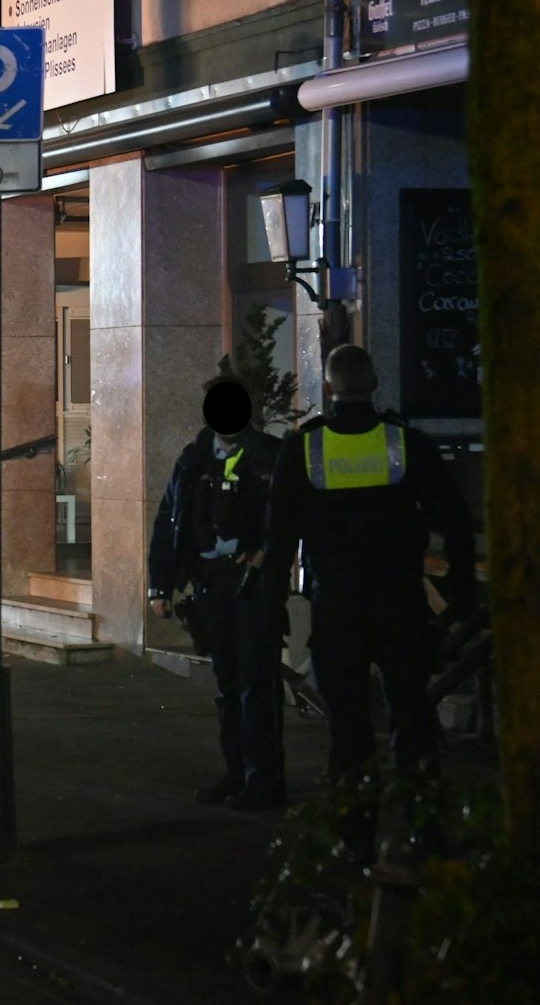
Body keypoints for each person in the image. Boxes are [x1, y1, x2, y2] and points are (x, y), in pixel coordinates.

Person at [262, 345, 475, 858]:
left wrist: (273, 612)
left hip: (337, 608)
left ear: (329, 388)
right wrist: (458, 591)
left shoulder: (305, 450)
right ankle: (425, 831)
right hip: (400, 604)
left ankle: (354, 837)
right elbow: (456, 520)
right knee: (413, 719)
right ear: (375, 383)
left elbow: (278, 540)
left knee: (349, 730)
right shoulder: (406, 443)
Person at [148, 380, 286, 810]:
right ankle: (237, 772)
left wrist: (269, 554)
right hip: (211, 583)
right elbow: (169, 519)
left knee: (257, 681)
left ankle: (263, 780)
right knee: (228, 683)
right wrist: (160, 585)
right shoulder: (194, 458)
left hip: (252, 583)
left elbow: (290, 516)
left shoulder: (271, 454)